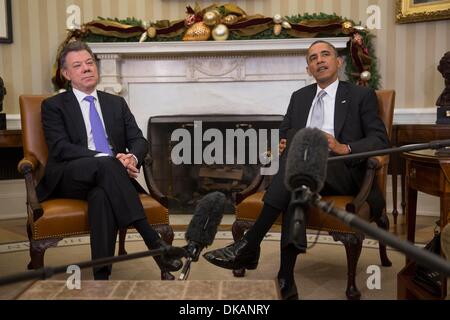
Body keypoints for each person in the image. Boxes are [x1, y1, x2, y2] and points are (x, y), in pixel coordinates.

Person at [204, 40, 389, 299]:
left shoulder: (360, 95)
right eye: (313, 58)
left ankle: (248, 245)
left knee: (296, 162)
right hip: (302, 171)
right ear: (308, 69)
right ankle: (285, 278)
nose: (320, 60)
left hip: (341, 170)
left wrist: (342, 146)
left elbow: (380, 140)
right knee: (296, 180)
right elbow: (284, 133)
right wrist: (281, 143)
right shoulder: (299, 98)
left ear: (339, 62)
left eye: (325, 54)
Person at [37, 40, 182, 280]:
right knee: (106, 164)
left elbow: (139, 140)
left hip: (107, 177)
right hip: (68, 175)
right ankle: (154, 243)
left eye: (89, 63)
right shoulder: (53, 106)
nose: (86, 68)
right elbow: (61, 148)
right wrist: (112, 159)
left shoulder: (115, 103)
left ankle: (101, 276)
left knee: (101, 196)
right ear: (66, 73)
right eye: (77, 65)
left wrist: (132, 156)